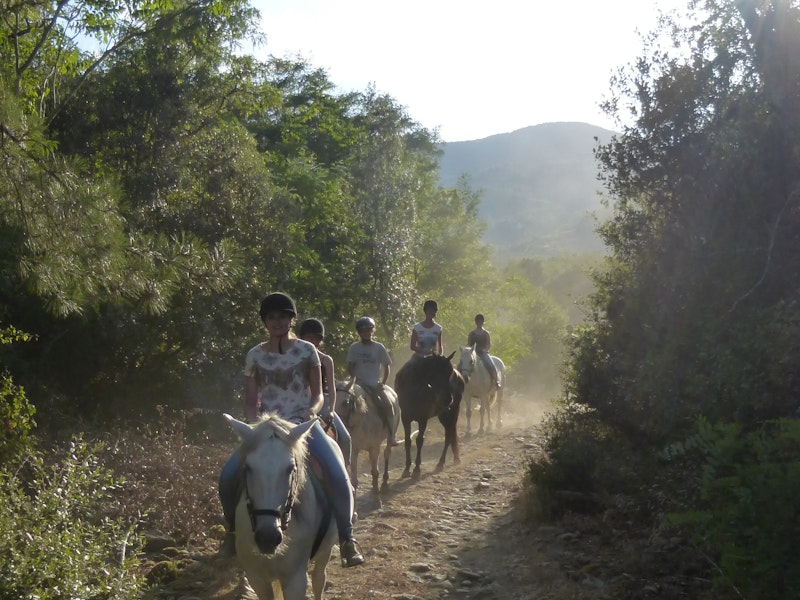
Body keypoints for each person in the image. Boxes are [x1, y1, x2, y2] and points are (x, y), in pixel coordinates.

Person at [218, 293, 364, 567]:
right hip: (265, 429)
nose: (277, 322)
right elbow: (250, 402)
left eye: (283, 316)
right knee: (227, 477)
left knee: (336, 472)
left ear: (291, 319)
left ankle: (346, 536)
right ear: (264, 321)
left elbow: (318, 395)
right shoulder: (254, 355)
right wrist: (255, 426)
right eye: (271, 317)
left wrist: (312, 411)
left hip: (300, 425)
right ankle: (232, 532)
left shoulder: (307, 351)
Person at [298, 317, 352, 469]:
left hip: (322, 403)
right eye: (308, 337)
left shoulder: (326, 360)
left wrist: (332, 410)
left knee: (346, 437)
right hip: (300, 403)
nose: (311, 340)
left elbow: (332, 387)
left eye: (314, 338)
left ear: (319, 340)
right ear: (302, 338)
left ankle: (345, 468)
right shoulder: (295, 358)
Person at [344, 316, 400, 446]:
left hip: (374, 385)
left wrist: (383, 382)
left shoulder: (379, 347)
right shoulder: (354, 348)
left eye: (368, 330)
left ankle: (391, 436)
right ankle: (345, 436)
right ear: (359, 332)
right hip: (358, 385)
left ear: (372, 331)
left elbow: (386, 366)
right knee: (344, 405)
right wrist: (353, 379)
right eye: (363, 331)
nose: (366, 333)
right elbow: (350, 366)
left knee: (388, 405)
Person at [467, 313, 501, 388]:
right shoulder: (472, 333)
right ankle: (461, 382)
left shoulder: (486, 333)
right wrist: (472, 351)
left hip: (483, 353)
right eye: (478, 322)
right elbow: (469, 344)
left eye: (481, 322)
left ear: (483, 322)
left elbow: (488, 345)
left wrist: (485, 350)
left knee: (490, 364)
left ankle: (496, 381)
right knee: (464, 363)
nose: (480, 323)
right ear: (476, 322)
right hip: (473, 353)